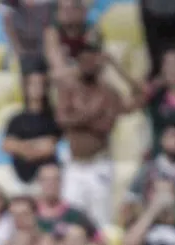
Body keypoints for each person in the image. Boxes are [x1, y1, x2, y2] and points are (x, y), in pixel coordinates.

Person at [54, 31, 123, 228]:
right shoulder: (68, 89)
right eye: (83, 60)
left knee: (101, 222)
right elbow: (61, 120)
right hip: (74, 165)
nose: (87, 65)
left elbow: (106, 126)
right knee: (70, 223)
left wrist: (77, 117)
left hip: (99, 164)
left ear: (99, 62)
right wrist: (93, 113)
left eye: (91, 60)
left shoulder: (109, 92)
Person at [2, 68, 60, 194]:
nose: (37, 88)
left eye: (40, 84)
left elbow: (49, 146)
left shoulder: (53, 118)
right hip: (20, 179)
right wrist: (34, 147)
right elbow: (7, 145)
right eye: (33, 84)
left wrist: (21, 147)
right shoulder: (15, 119)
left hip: (46, 182)